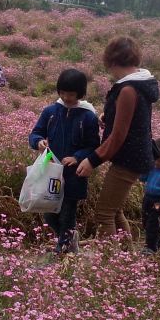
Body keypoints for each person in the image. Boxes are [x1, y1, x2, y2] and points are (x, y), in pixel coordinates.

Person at [76, 36, 160, 239]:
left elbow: (119, 135)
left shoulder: (128, 89)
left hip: (128, 159)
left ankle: (109, 265)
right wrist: (110, 116)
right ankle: (126, 258)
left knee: (104, 214)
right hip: (135, 156)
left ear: (112, 61)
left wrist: (92, 160)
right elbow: (133, 118)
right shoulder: (139, 83)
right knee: (115, 211)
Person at [28, 68, 101, 254]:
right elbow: (35, 133)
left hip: (73, 176)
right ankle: (68, 240)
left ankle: (64, 249)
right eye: (63, 93)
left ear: (80, 94)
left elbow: (94, 146)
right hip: (49, 173)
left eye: (71, 94)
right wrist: (39, 142)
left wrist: (77, 157)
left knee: (67, 213)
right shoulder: (50, 112)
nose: (66, 97)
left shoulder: (88, 117)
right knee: (49, 214)